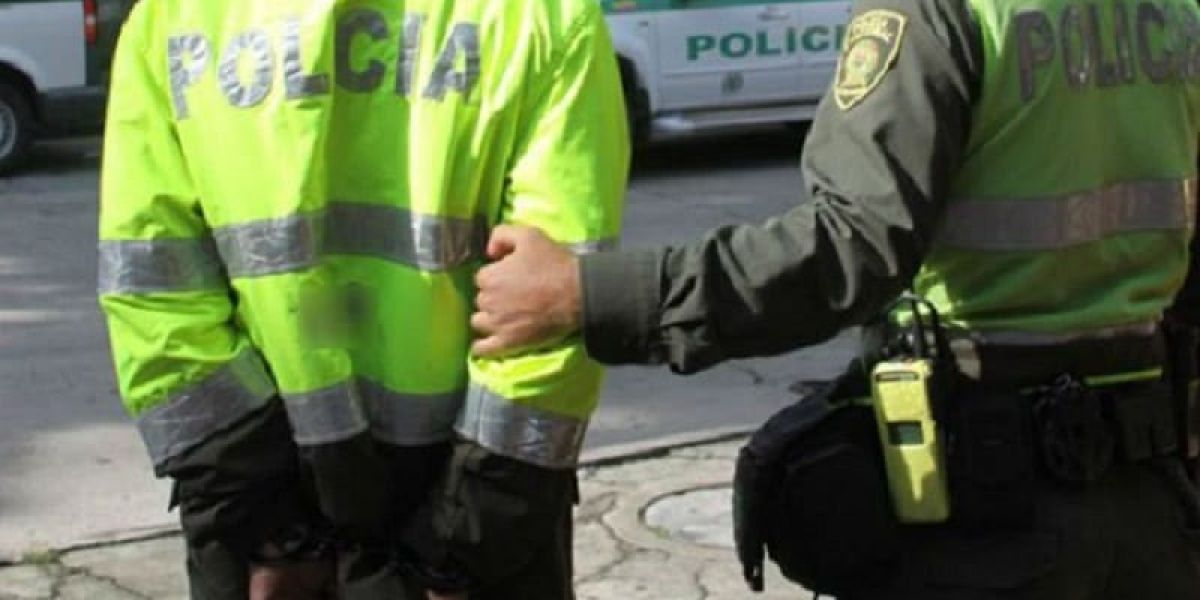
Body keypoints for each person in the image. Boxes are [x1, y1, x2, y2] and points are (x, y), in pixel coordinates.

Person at [470, 0, 1200, 597]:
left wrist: (588, 295)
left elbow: (849, 248)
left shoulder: (939, 14)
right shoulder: (1172, 14)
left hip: (989, 516)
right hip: (1152, 504)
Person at [96, 0, 628, 598]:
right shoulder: (546, 17)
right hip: (471, 503)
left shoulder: (173, 18)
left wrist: (271, 531)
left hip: (263, 522)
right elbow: (557, 298)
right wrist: (466, 544)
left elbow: (157, 295)